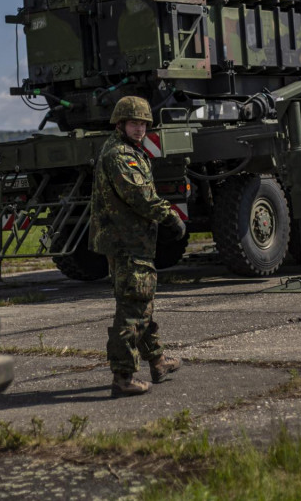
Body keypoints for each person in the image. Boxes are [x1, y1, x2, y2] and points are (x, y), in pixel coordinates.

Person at [89, 95, 185, 397]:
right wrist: (169, 216)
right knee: (133, 309)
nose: (140, 128)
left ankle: (157, 360)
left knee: (140, 303)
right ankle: (123, 377)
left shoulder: (128, 150)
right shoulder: (120, 155)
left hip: (130, 240)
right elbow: (139, 194)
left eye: (143, 123)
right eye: (134, 123)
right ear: (120, 123)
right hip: (127, 242)